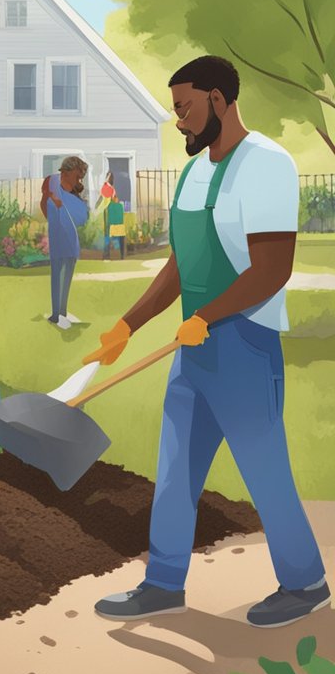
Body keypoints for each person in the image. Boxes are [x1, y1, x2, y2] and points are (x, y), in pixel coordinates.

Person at [86, 56, 327, 627]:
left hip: (244, 344)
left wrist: (210, 316)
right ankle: (163, 582)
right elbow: (181, 263)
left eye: (186, 108)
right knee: (175, 472)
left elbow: (272, 270)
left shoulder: (268, 164)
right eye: (175, 111)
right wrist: (128, 324)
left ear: (219, 100)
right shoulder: (194, 173)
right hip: (193, 352)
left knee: (265, 470)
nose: (180, 123)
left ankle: (306, 582)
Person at [41, 156, 89, 329]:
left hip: (71, 238)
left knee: (67, 276)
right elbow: (44, 205)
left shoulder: (74, 195)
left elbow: (82, 217)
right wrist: (56, 216)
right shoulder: (52, 183)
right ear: (67, 172)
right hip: (58, 237)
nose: (80, 179)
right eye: (78, 175)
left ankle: (63, 312)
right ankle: (56, 315)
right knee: (58, 276)